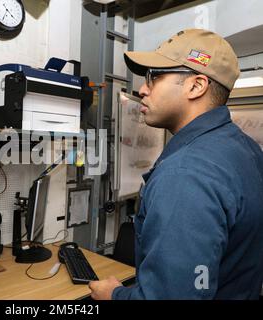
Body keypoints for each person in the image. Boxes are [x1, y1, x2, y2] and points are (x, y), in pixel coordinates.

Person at [89, 29, 263, 300]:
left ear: (196, 86)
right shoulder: (246, 149)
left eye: (154, 77)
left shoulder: (186, 174)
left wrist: (113, 295)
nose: (142, 89)